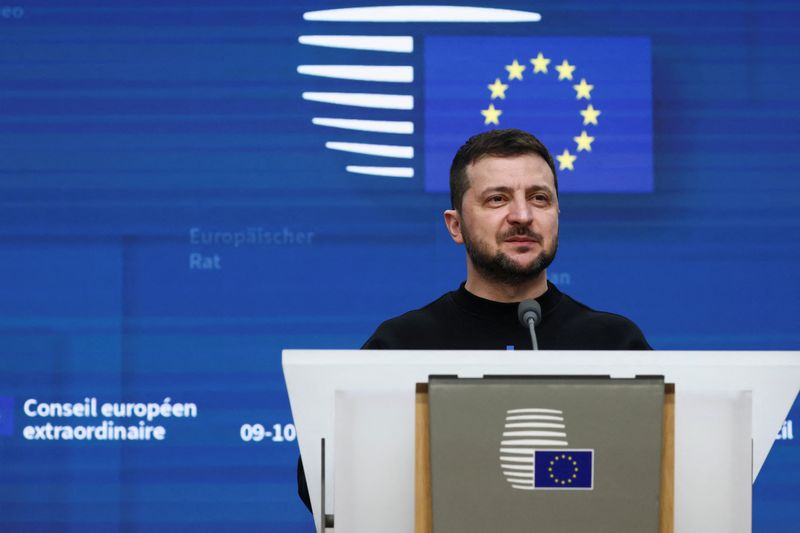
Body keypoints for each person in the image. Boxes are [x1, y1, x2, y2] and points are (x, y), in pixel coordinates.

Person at [298, 128, 649, 512]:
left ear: (557, 216)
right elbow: (319, 481)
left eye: (539, 198)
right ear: (455, 225)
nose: (522, 215)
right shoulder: (404, 343)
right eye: (497, 199)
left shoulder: (613, 342)